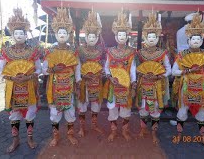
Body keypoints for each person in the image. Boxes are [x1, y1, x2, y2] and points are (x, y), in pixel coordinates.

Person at [0, 8, 41, 153]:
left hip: (29, 86)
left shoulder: (33, 51)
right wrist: (12, 77)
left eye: (21, 33)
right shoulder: (6, 51)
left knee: (30, 113)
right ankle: (15, 140)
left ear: (25, 35)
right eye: (16, 33)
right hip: (13, 88)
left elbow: (39, 69)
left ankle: (30, 138)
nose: (19, 35)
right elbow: (0, 71)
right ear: (13, 34)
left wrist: (29, 76)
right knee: (14, 115)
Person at [172, 12, 204, 149]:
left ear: (202, 40)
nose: (195, 41)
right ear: (188, 40)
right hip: (186, 87)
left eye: (198, 39)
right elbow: (174, 71)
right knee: (182, 112)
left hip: (201, 88)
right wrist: (186, 71)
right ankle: (179, 135)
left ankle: (203, 138)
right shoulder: (182, 55)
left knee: (201, 114)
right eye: (193, 39)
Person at [42, 7, 82, 146]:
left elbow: (77, 68)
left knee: (70, 112)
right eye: (60, 32)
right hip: (54, 85)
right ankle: (56, 136)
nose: (62, 34)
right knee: (55, 113)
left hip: (69, 85)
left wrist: (77, 83)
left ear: (68, 33)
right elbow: (44, 70)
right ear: (56, 33)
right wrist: (53, 69)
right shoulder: (50, 50)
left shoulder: (73, 50)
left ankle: (70, 134)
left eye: (65, 32)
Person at [135, 12, 171, 145]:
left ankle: (154, 132)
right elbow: (136, 69)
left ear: (157, 38)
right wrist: (142, 74)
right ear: (145, 37)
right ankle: (143, 130)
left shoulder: (163, 53)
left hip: (157, 86)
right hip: (144, 84)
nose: (151, 39)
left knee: (155, 111)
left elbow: (169, 69)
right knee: (144, 109)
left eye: (153, 36)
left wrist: (158, 75)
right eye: (149, 36)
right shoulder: (140, 53)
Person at [104, 9, 137, 142]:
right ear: (116, 36)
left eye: (124, 35)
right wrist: (110, 77)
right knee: (112, 109)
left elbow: (133, 69)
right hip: (113, 85)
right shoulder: (110, 51)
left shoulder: (131, 52)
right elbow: (106, 67)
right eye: (119, 35)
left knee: (125, 109)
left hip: (126, 85)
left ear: (127, 36)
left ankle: (124, 131)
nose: (122, 38)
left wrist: (133, 83)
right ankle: (113, 131)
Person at [77, 9, 106, 137]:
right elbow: (77, 65)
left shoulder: (101, 49)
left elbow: (105, 63)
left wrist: (102, 72)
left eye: (94, 36)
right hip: (84, 81)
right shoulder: (80, 50)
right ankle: (82, 128)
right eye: (90, 36)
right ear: (86, 36)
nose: (92, 38)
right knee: (82, 104)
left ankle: (94, 125)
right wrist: (81, 76)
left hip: (96, 80)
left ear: (97, 37)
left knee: (96, 104)